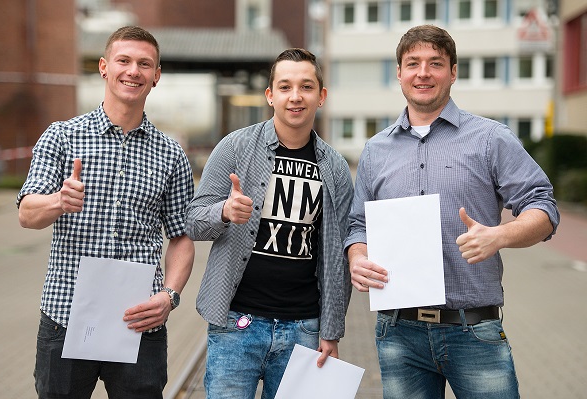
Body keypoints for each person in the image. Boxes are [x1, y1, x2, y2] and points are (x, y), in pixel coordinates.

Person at [345, 25, 560, 399]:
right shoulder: (376, 150)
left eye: (435, 63)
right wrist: (357, 255)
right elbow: (358, 223)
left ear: (453, 71)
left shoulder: (491, 139)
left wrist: (500, 236)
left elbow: (544, 206)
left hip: (473, 332)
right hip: (398, 333)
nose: (423, 73)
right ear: (399, 72)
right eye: (412, 63)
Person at [17, 26, 195, 399]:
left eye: (145, 64)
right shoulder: (62, 137)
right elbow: (27, 213)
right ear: (104, 67)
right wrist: (58, 202)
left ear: (156, 75)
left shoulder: (170, 153)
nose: (134, 71)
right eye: (124, 60)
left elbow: (181, 236)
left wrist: (169, 296)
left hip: (140, 322)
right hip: (65, 318)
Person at [185, 48, 354, 399]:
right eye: (285, 86)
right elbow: (192, 221)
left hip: (304, 329)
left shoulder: (335, 168)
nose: (296, 96)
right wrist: (223, 212)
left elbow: (337, 259)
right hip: (236, 324)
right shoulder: (234, 147)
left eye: (306, 87)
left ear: (321, 96)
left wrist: (331, 331)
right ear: (270, 95)